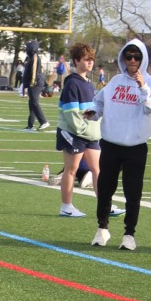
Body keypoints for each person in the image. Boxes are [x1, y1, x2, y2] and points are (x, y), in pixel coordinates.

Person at [91, 39, 151, 250]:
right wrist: (92, 113)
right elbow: (99, 103)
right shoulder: (115, 81)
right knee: (105, 188)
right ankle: (102, 228)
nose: (132, 60)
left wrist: (142, 87)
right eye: (128, 56)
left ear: (143, 59)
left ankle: (129, 234)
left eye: (137, 57)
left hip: (136, 146)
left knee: (133, 192)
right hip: (110, 144)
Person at [56, 42, 100, 218]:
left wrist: (95, 124)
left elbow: (90, 111)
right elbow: (71, 114)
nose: (90, 62)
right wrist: (84, 129)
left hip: (90, 135)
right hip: (73, 133)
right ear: (76, 61)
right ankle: (66, 206)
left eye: (92, 59)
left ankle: (105, 204)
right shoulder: (72, 83)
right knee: (71, 169)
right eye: (86, 59)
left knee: (97, 169)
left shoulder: (89, 83)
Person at [22, 40, 49, 131]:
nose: (26, 49)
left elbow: (34, 72)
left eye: (28, 47)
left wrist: (32, 83)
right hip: (33, 82)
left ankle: (43, 121)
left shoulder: (34, 57)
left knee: (34, 102)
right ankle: (30, 125)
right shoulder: (30, 57)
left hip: (35, 82)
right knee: (32, 103)